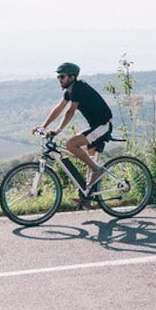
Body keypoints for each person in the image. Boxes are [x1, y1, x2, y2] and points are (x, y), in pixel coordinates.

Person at [34, 62, 113, 206]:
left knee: (71, 144)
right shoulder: (69, 91)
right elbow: (59, 108)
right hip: (95, 127)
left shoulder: (79, 88)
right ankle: (86, 199)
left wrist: (57, 130)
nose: (59, 79)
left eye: (62, 76)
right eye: (58, 77)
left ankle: (98, 170)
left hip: (102, 126)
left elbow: (70, 111)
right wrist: (43, 126)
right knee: (88, 160)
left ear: (72, 77)